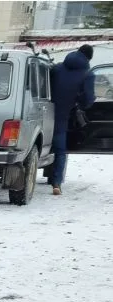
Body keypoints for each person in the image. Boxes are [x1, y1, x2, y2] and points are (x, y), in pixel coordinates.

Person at [49, 44, 96, 195]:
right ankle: (56, 183)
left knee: (39, 145)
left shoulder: (56, 68)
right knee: (60, 150)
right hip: (63, 116)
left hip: (43, 111)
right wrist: (79, 102)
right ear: (89, 58)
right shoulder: (87, 75)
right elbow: (87, 100)